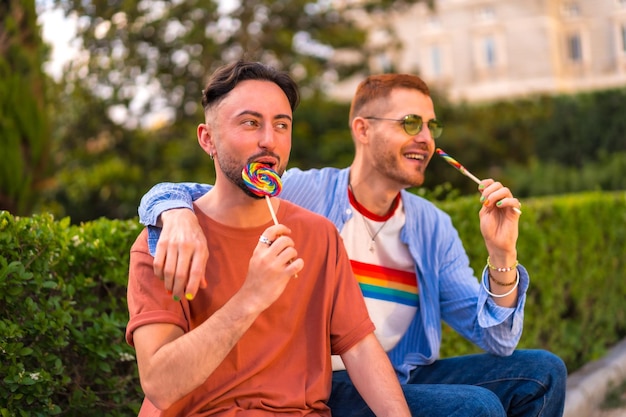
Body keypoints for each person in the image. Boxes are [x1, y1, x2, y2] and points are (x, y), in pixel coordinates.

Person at [137, 72, 568, 416]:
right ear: (362, 129)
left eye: (431, 126)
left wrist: (501, 255)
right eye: (409, 123)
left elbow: (495, 340)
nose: (425, 138)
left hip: (402, 372)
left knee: (543, 372)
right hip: (332, 377)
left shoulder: (430, 225)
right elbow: (225, 191)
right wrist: (173, 210)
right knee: (475, 407)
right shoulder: (303, 192)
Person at [125, 60, 411, 416]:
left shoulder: (319, 235)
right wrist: (251, 296)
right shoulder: (166, 244)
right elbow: (161, 387)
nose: (268, 140)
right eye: (250, 123)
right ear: (207, 139)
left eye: (281, 125)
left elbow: (361, 349)